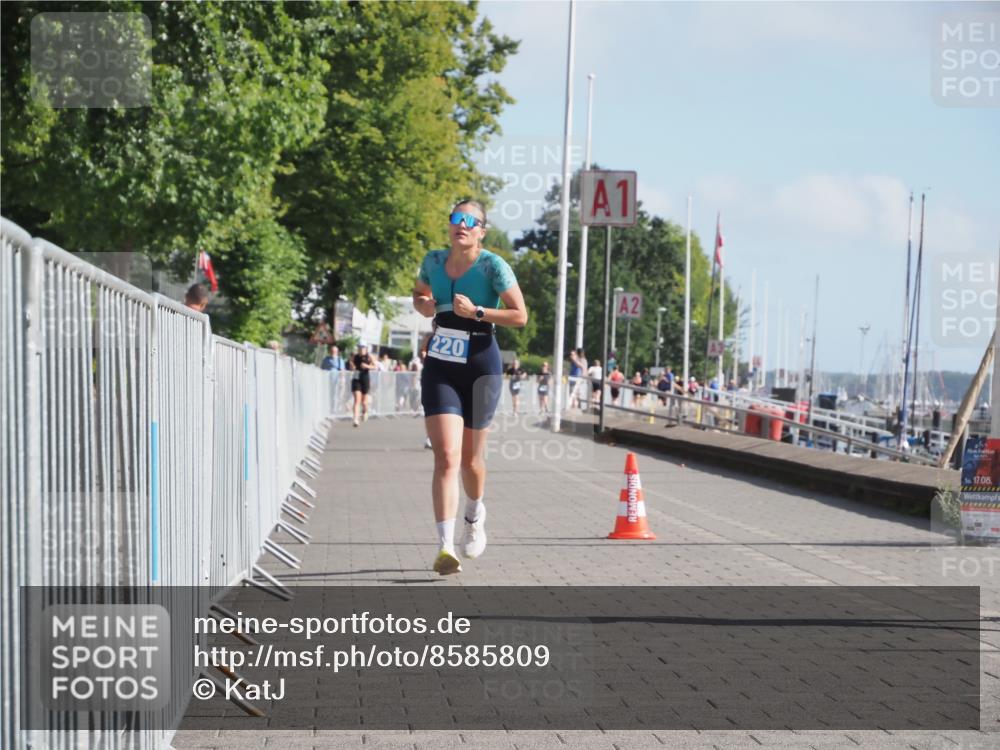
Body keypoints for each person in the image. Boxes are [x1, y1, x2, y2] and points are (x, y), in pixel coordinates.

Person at [413, 200, 527, 575]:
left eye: (469, 221)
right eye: (455, 219)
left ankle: (474, 515)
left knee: (471, 461)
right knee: (446, 455)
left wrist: (477, 312)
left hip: (481, 362)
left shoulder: (493, 266)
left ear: (481, 230)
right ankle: (445, 546)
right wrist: (426, 305)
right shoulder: (433, 260)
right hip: (441, 364)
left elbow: (519, 316)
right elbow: (419, 295)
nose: (460, 225)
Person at [351, 343, 376, 427]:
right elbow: (351, 364)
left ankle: (365, 411)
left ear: (366, 348)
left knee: (364, 402)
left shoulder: (369, 357)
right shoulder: (355, 356)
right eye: (359, 348)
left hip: (365, 378)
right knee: (357, 400)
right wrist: (353, 366)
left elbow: (375, 366)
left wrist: (367, 366)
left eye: (362, 348)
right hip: (356, 378)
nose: (361, 349)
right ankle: (355, 419)